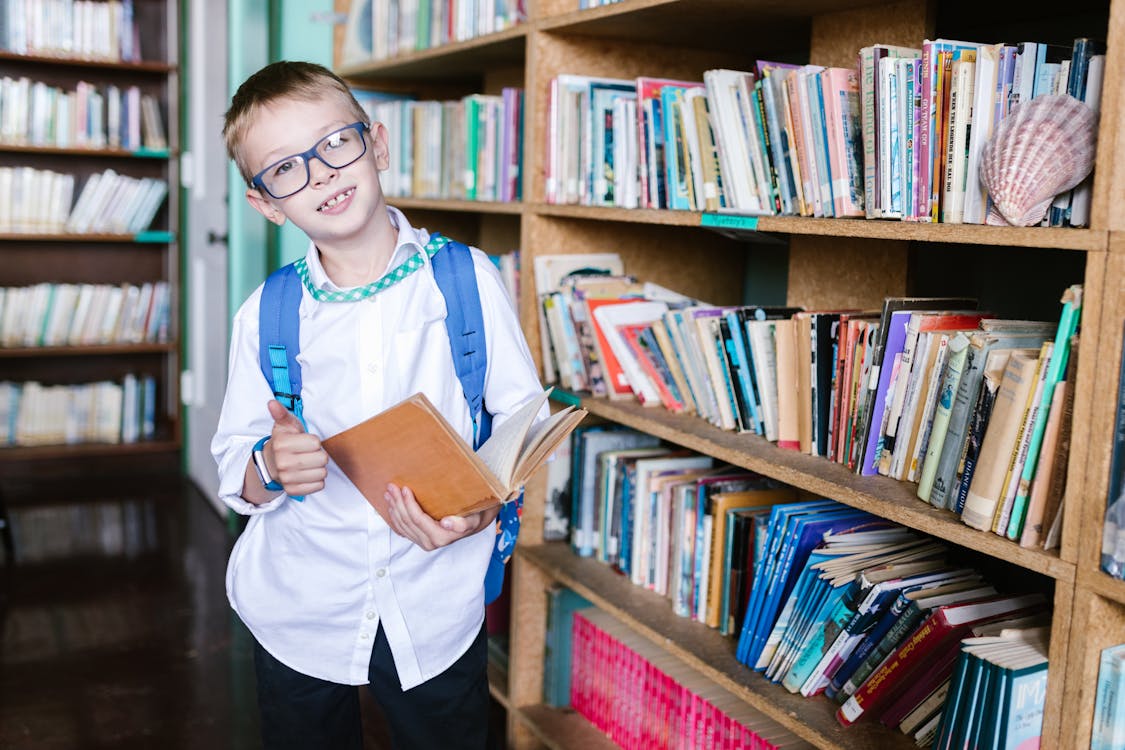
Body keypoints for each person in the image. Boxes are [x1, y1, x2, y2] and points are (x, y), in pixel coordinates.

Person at [211, 60, 545, 750]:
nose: (321, 173)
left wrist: (479, 507)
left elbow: (523, 424)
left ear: (378, 145)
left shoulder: (464, 280)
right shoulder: (266, 313)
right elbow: (233, 465)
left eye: (335, 143)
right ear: (267, 202)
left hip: (435, 598)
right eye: (285, 168)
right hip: (300, 604)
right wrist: (268, 465)